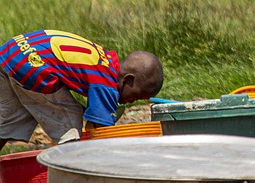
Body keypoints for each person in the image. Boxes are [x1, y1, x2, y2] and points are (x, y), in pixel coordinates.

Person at [0, 30, 162, 148]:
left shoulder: (103, 61)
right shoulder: (107, 83)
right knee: (70, 124)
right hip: (33, 66)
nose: (132, 101)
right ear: (128, 80)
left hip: (12, 52)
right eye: (137, 96)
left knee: (8, 121)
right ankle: (70, 174)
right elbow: (102, 131)